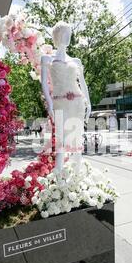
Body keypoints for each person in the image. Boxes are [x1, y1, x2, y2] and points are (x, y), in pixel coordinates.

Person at [41, 21, 92, 173]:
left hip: (77, 103)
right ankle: (59, 180)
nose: (67, 37)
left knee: (76, 142)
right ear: (57, 36)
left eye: (69, 34)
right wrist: (49, 104)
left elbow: (83, 84)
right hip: (59, 103)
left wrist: (88, 104)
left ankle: (77, 179)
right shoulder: (47, 59)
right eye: (64, 33)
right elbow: (44, 83)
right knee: (61, 143)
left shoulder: (76, 61)